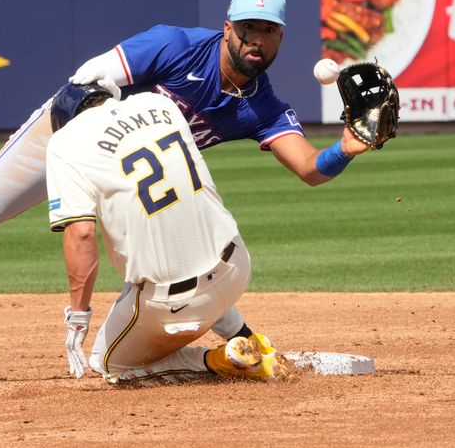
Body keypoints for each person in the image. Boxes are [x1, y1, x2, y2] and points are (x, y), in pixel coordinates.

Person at [0, 0, 370, 370]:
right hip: (69, 137)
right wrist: (92, 132)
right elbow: (87, 81)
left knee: (180, 236)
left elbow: (309, 168)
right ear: (227, 28)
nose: (256, 39)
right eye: (247, 27)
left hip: (127, 180)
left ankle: (232, 335)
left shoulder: (262, 108)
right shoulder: (177, 46)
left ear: (280, 39)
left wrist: (348, 147)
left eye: (268, 31)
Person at [47, 82, 284, 383]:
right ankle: (247, 337)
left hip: (172, 306)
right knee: (186, 242)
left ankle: (218, 360)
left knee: (108, 365)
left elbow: (81, 233)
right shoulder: (159, 104)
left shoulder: (66, 142)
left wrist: (78, 320)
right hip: (237, 268)